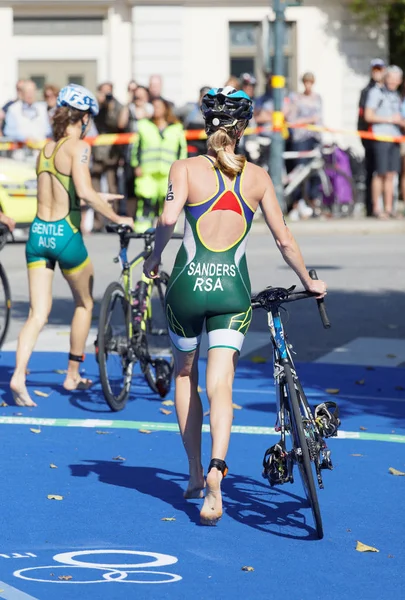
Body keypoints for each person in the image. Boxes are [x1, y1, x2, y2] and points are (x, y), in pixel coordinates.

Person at [143, 86, 327, 525]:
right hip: (232, 291)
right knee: (221, 384)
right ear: (243, 129)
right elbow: (284, 239)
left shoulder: (184, 168)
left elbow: (168, 219)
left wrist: (153, 257)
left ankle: (190, 471)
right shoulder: (258, 177)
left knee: (185, 373)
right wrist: (309, 281)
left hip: (188, 286)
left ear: (205, 124)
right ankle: (215, 475)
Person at [9, 84, 134, 407]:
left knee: (38, 313)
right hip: (65, 236)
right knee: (84, 304)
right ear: (85, 118)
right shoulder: (78, 147)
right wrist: (118, 217)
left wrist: (95, 199)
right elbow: (84, 190)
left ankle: (18, 376)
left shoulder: (46, 149)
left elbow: (60, 190)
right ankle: (73, 373)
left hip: (39, 235)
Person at [131, 97, 187, 232]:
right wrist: (136, 165)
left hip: (168, 172)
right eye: (154, 106)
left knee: (168, 201)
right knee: (146, 199)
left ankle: (168, 227)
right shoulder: (144, 125)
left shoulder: (177, 128)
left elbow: (182, 150)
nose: (156, 109)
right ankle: (143, 228)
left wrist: (181, 170)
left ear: (165, 109)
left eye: (158, 107)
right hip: (147, 171)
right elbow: (136, 148)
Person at [365, 65, 404, 218]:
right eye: (390, 78)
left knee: (391, 174)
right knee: (379, 173)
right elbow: (368, 116)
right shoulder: (376, 93)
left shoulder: (396, 95)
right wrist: (389, 120)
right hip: (380, 137)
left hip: (395, 137)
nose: (393, 81)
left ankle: (389, 208)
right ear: (385, 78)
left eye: (396, 79)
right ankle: (376, 208)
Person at [286, 72, 323, 220]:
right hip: (300, 138)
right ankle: (296, 203)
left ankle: (313, 202)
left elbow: (320, 118)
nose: (308, 85)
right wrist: (309, 120)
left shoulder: (318, 98)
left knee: (313, 172)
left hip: (314, 137)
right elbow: (292, 119)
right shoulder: (297, 99)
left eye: (310, 82)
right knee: (299, 171)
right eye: (306, 82)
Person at [91, 82, 124, 231]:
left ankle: (113, 219)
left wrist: (110, 107)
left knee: (112, 186)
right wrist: (100, 103)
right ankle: (98, 221)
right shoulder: (96, 107)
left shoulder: (117, 106)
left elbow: (116, 123)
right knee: (95, 186)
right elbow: (95, 122)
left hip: (111, 152)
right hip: (98, 151)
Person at [357, 58, 386, 217]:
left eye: (380, 69)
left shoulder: (387, 89)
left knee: (384, 172)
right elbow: (362, 115)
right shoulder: (366, 91)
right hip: (371, 136)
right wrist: (363, 135)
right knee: (373, 171)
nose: (377, 72)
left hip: (386, 137)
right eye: (375, 69)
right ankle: (371, 207)